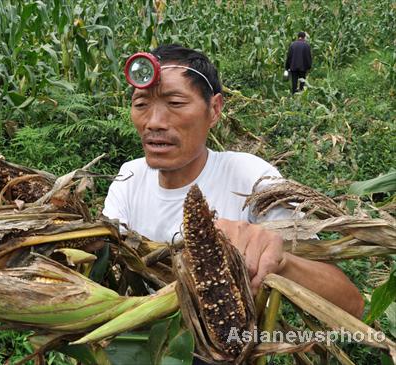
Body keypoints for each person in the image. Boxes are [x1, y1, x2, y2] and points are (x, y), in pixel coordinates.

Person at [103, 44, 363, 319]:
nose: (154, 122)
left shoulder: (251, 178)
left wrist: (281, 261)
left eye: (176, 103)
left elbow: (351, 305)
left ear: (214, 109)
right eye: (141, 104)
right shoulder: (129, 178)